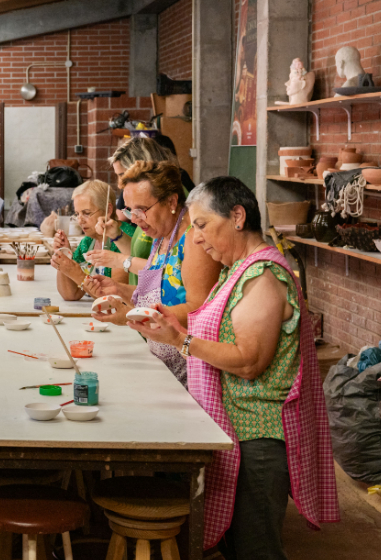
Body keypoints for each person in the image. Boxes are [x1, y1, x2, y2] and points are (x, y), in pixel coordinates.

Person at [127, 177, 338, 559]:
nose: (198, 239)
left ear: (238, 216)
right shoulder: (237, 270)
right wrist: (169, 323)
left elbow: (249, 361)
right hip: (235, 430)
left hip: (258, 437)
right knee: (237, 545)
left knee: (256, 548)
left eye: (204, 226)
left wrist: (180, 341)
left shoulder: (264, 277)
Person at [87, 161, 222, 385]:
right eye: (129, 210)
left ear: (171, 201)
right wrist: (119, 289)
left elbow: (197, 311)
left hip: (191, 369)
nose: (134, 219)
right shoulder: (160, 234)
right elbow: (160, 293)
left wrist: (133, 315)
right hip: (162, 363)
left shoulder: (193, 239)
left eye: (141, 210)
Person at [89, 137, 186, 285]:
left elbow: (170, 273)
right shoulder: (149, 210)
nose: (119, 184)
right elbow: (141, 255)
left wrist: (120, 261)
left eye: (122, 175)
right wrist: (117, 235)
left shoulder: (177, 211)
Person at [50, 180, 135, 301]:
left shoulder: (123, 239)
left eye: (86, 213)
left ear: (108, 210)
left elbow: (114, 299)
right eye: (77, 214)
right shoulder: (89, 241)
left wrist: (78, 275)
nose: (80, 220)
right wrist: (64, 255)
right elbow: (70, 294)